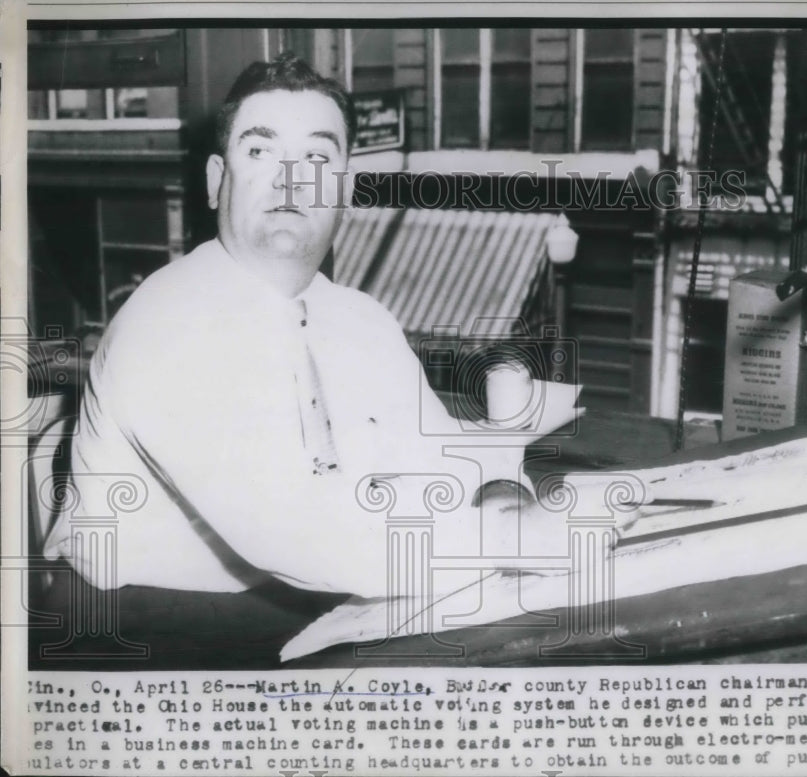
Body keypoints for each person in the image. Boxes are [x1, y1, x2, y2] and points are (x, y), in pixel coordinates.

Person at [36, 53, 566, 669]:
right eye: (260, 152)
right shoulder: (167, 321)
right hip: (143, 633)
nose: (290, 179)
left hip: (310, 601)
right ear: (215, 180)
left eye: (317, 158)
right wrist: (509, 538)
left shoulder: (362, 319)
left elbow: (443, 455)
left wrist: (502, 489)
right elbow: (293, 533)